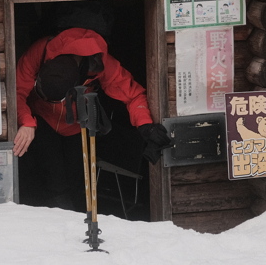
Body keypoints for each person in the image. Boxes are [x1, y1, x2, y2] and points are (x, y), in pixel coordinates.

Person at [12, 27, 171, 209]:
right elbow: (17, 90)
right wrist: (26, 121)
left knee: (77, 178)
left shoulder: (99, 63)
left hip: (78, 124)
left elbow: (132, 94)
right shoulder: (39, 52)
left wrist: (145, 125)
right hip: (41, 119)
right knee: (54, 179)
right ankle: (58, 217)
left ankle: (77, 220)